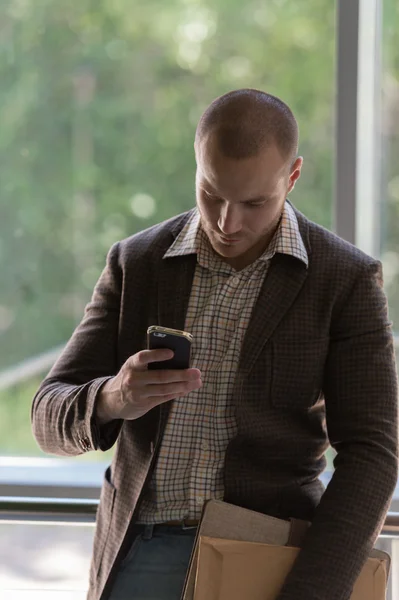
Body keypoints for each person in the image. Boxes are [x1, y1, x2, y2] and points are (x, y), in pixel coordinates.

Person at [31, 88, 398, 600]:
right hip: (140, 557)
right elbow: (47, 420)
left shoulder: (345, 280)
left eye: (254, 203)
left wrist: (311, 592)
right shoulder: (136, 263)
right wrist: (115, 397)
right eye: (212, 193)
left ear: (291, 177)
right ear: (198, 165)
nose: (228, 222)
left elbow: (374, 456)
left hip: (270, 561)